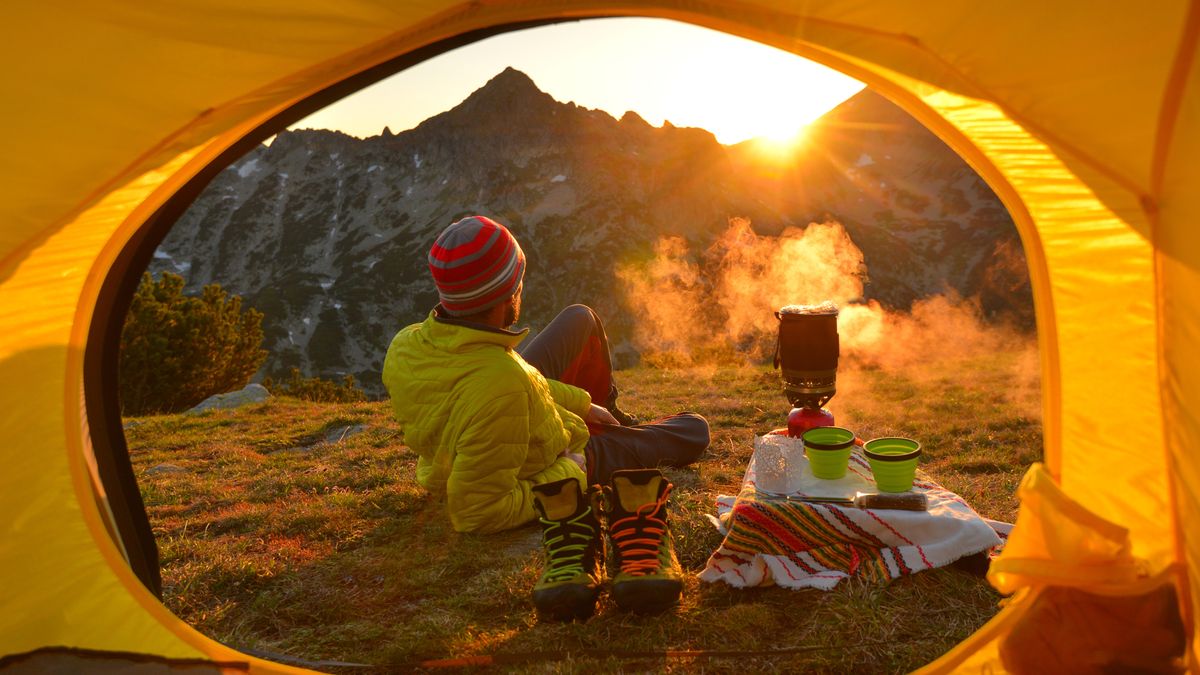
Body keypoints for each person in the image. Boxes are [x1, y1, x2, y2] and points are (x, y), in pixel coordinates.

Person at [381, 215, 709, 535]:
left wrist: (583, 403)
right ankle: (609, 441)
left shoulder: (406, 344)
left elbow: (514, 383)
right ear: (508, 293)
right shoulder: (502, 383)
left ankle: (613, 419)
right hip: (557, 458)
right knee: (693, 429)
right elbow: (477, 513)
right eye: (518, 279)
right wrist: (572, 470)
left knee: (580, 317)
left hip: (508, 421)